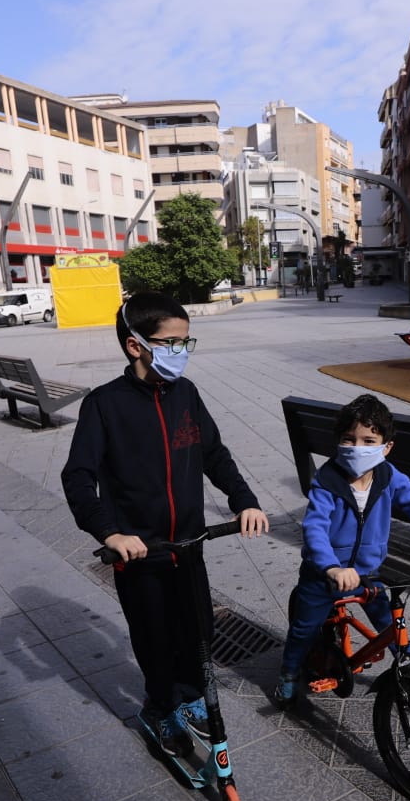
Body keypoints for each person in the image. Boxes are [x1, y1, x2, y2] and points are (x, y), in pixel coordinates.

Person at [62, 291, 270, 756]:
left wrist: (244, 501)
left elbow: (213, 455)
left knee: (198, 632)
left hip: (189, 545)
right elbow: (77, 477)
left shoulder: (186, 393)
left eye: (185, 341)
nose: (181, 351)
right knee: (154, 636)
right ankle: (161, 706)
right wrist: (110, 533)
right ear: (135, 345)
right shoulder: (104, 404)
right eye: (171, 342)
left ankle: (190, 696)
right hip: (141, 552)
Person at [273, 395, 410, 703]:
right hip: (324, 574)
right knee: (303, 629)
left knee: (388, 619)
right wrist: (330, 567)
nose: (357, 448)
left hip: (367, 571)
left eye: (369, 441)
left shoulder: (388, 477)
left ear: (386, 447)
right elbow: (315, 527)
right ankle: (288, 672)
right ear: (338, 442)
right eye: (349, 440)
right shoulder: (327, 481)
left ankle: (407, 659)